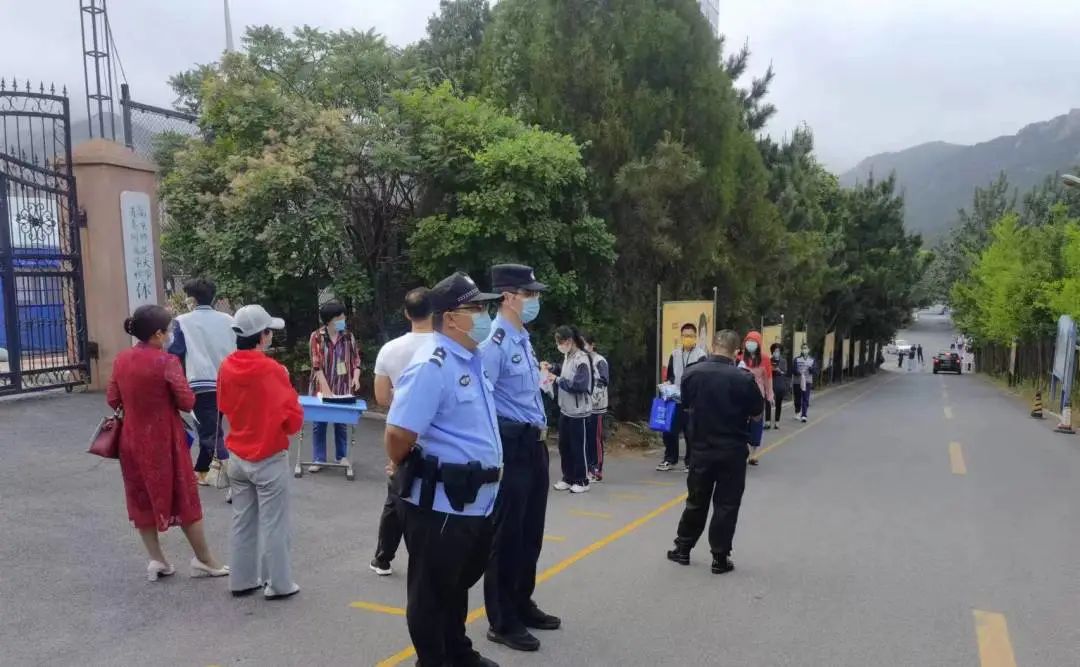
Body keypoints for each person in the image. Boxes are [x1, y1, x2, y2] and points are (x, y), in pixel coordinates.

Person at [384, 271, 503, 667]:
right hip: (441, 504)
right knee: (431, 595)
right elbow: (398, 433)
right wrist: (402, 462)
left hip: (475, 502)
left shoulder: (470, 358)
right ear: (451, 318)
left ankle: (457, 651)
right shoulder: (431, 365)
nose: (485, 316)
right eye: (478, 309)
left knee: (456, 586)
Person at [107, 305, 229, 582]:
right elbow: (187, 400)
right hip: (165, 440)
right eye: (169, 329)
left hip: (132, 439)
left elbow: (113, 398)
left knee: (141, 498)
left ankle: (157, 560)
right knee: (184, 497)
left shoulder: (121, 359)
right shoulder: (166, 362)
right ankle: (204, 560)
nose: (172, 333)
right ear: (158, 334)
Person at [480, 264, 561, 653]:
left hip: (534, 445)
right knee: (507, 535)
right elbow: (482, 402)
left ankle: (521, 601)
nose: (535, 300)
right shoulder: (494, 343)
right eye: (529, 294)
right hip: (510, 446)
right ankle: (501, 619)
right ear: (509, 297)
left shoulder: (522, 339)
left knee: (530, 532)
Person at [218, 305, 304, 600]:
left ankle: (241, 580)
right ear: (262, 335)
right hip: (268, 455)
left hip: (238, 455)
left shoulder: (226, 365)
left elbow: (223, 405)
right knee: (274, 523)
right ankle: (278, 583)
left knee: (242, 520)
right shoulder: (272, 370)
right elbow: (292, 418)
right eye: (269, 331)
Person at [666, 329, 763, 574]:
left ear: (712, 346)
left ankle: (683, 549)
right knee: (727, 504)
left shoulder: (692, 374)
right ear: (737, 351)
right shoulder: (744, 379)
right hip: (732, 451)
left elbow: (686, 406)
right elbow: (757, 413)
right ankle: (719, 558)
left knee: (696, 501)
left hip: (701, 448)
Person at [369, 287, 434, 577]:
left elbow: (382, 397)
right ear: (435, 312)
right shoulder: (446, 347)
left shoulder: (390, 349)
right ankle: (429, 559)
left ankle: (383, 557)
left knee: (397, 493)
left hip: (401, 428)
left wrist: (406, 396)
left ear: (407, 313)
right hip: (436, 431)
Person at [168, 278, 235, 487]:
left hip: (201, 382)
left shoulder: (183, 321)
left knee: (209, 431)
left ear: (192, 299)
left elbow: (175, 353)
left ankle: (229, 472)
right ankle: (202, 471)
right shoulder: (228, 319)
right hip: (227, 380)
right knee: (211, 426)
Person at [307, 300, 362, 473]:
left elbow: (356, 360)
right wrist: (325, 389)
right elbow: (316, 365)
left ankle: (341, 456)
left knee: (341, 422)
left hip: (343, 386)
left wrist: (356, 377)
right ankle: (319, 458)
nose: (343, 320)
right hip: (321, 386)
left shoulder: (348, 336)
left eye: (343, 317)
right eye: (340, 317)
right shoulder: (317, 336)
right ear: (330, 320)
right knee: (319, 423)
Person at [550, 326, 594, 493]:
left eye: (559, 342)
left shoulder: (582, 359)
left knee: (578, 447)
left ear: (569, 341)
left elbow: (579, 385)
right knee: (564, 446)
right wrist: (552, 368)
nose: (558, 345)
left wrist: (557, 380)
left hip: (579, 411)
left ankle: (582, 480)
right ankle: (568, 478)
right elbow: (565, 372)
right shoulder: (568, 356)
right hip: (566, 409)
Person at [657, 323, 708, 472]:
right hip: (675, 398)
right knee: (669, 430)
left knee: (690, 432)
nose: (687, 338)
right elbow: (670, 376)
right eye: (685, 335)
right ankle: (670, 458)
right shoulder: (675, 354)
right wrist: (667, 385)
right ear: (681, 337)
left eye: (690, 336)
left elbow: (701, 379)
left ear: (695, 337)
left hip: (692, 401)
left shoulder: (701, 355)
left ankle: (690, 461)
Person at [740, 332, 773, 466]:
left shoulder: (765, 359)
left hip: (758, 395)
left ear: (759, 344)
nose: (750, 344)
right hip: (742, 395)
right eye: (748, 341)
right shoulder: (740, 357)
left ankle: (753, 454)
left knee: (756, 425)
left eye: (753, 342)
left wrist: (770, 395)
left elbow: (768, 378)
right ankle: (743, 451)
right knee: (741, 424)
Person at [582, 332, 609, 482]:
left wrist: (592, 400)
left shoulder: (599, 361)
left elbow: (603, 381)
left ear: (592, 345)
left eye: (585, 343)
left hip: (596, 407)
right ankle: (589, 469)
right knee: (586, 439)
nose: (583, 347)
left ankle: (597, 469)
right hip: (583, 408)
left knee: (595, 439)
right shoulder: (582, 360)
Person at [765, 343, 789, 430]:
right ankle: (767, 422)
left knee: (779, 403)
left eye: (778, 351)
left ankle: (777, 422)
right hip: (770, 382)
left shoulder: (783, 361)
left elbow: (785, 371)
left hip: (779, 383)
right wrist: (771, 370)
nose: (776, 352)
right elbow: (765, 371)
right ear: (772, 352)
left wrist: (779, 370)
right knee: (768, 402)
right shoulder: (769, 360)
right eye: (775, 351)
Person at [793, 344, 814, 422]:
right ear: (801, 350)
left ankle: (804, 415)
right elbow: (793, 370)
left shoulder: (812, 360)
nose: (804, 350)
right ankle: (797, 412)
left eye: (806, 348)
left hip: (807, 381)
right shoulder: (796, 359)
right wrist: (799, 372)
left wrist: (811, 369)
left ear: (808, 350)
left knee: (805, 398)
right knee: (797, 398)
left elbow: (815, 370)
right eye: (803, 348)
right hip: (797, 382)